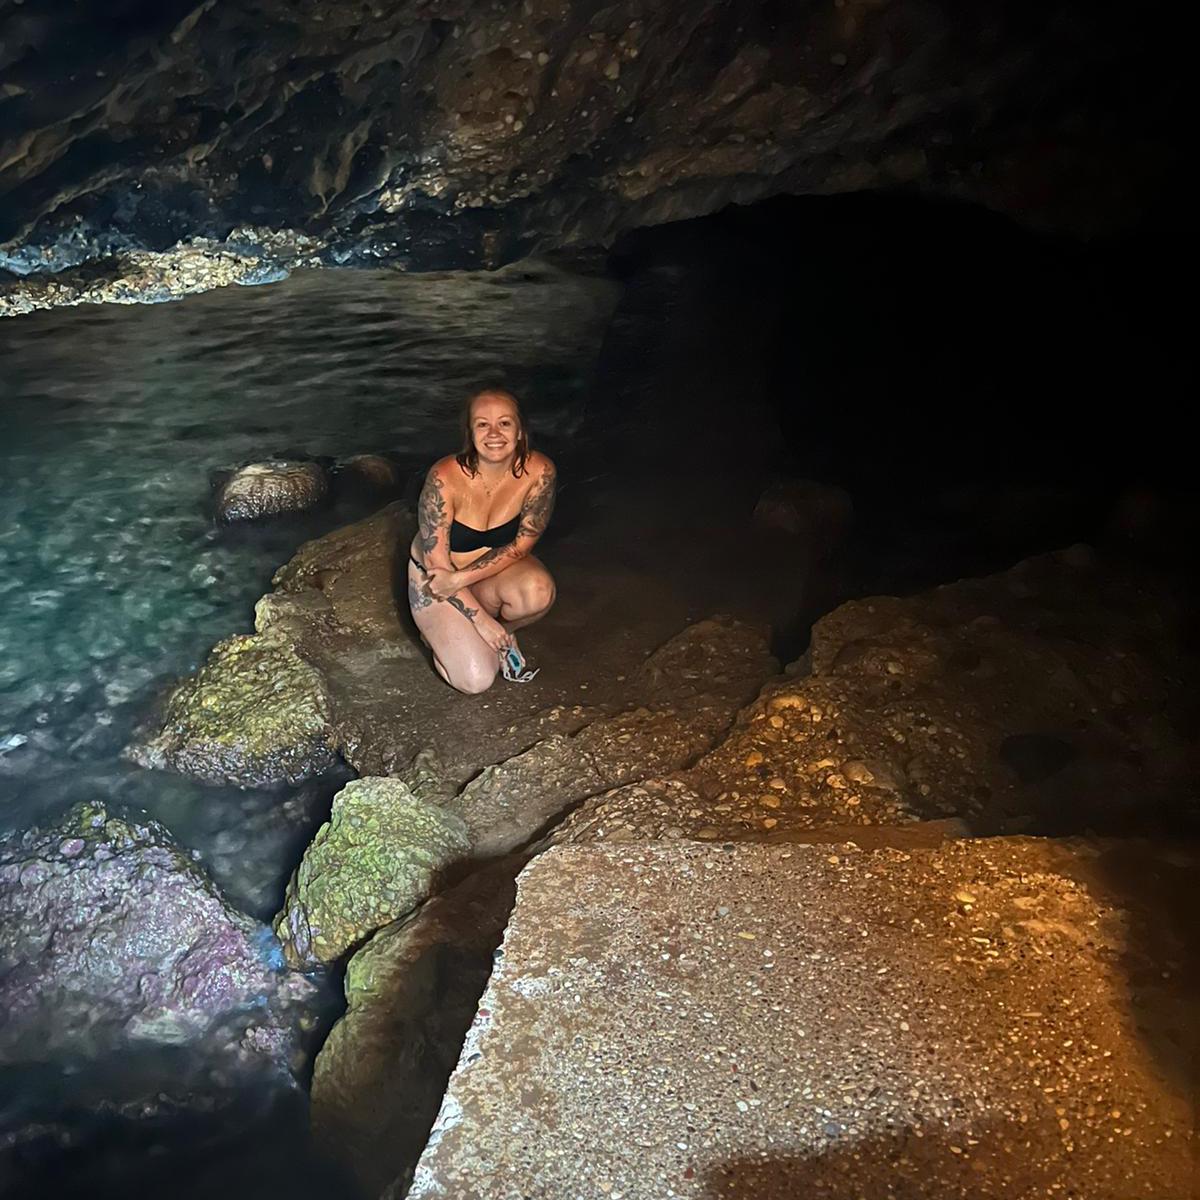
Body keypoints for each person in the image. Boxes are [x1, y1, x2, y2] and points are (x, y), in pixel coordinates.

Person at [407, 388, 557, 693]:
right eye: (482, 424)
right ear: (470, 433)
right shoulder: (444, 477)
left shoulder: (540, 471)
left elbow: (521, 546)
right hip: (437, 584)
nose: (494, 434)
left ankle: (500, 633)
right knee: (476, 681)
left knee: (538, 592)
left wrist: (464, 581)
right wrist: (482, 621)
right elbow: (439, 574)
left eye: (504, 423)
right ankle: (443, 633)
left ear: (519, 431)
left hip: (478, 576)